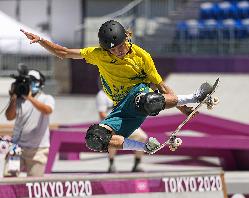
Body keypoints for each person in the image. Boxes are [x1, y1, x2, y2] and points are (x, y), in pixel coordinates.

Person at [20, 20, 213, 155]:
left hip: (140, 96)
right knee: (96, 138)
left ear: (127, 38)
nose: (118, 52)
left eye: (120, 46)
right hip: (121, 108)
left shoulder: (141, 57)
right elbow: (63, 53)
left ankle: (196, 95)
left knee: (148, 100)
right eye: (112, 49)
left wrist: (182, 106)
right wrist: (41, 41)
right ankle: (146, 147)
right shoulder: (98, 54)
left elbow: (160, 86)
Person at [4, 69, 55, 177]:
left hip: (38, 149)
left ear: (40, 83)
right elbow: (9, 117)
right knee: (9, 178)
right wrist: (13, 98)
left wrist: (29, 98)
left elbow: (47, 110)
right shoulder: (19, 99)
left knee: (34, 182)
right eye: (28, 81)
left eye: (33, 80)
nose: (30, 84)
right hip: (17, 147)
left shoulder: (46, 98)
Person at [96, 88, 147, 172]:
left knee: (142, 137)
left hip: (126, 123)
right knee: (111, 139)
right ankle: (111, 164)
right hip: (111, 125)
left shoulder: (123, 90)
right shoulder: (102, 95)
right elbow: (102, 114)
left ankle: (137, 164)